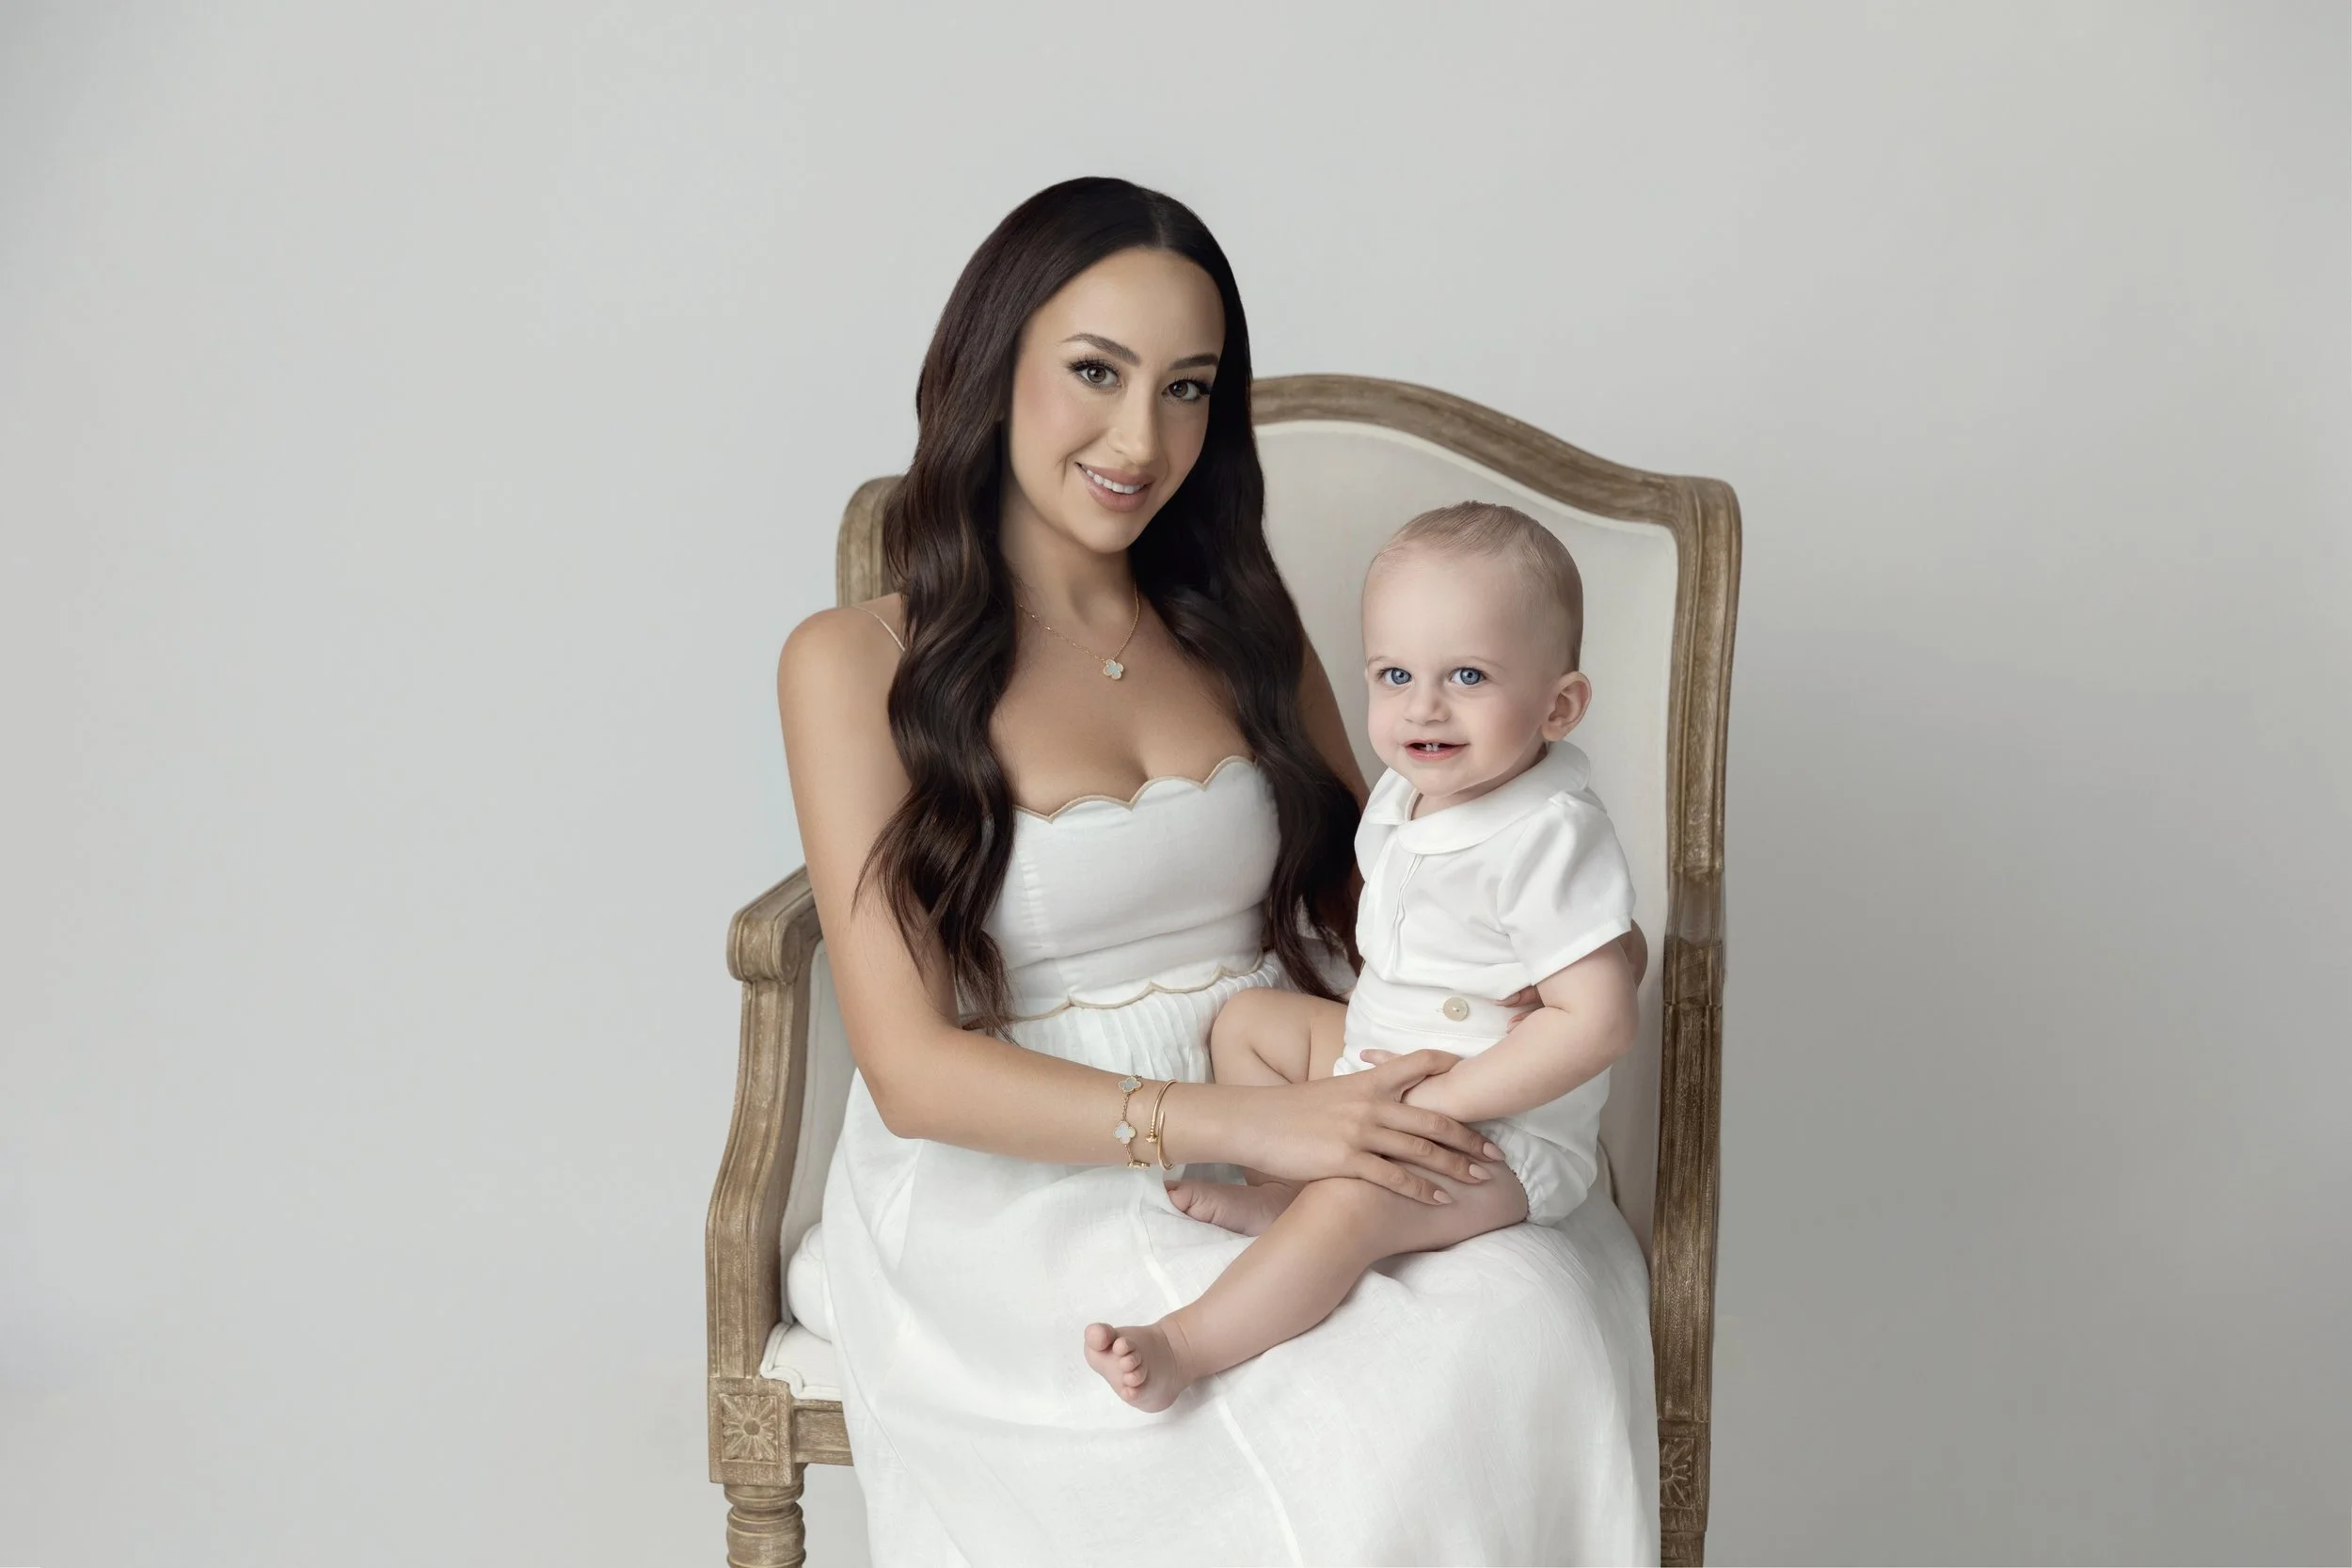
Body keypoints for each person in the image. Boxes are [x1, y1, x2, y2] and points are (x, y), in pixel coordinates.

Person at [777, 175, 1660, 1565]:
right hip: (1024, 1160)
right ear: (984, 368)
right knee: (1318, 1408)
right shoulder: (854, 661)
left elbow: (1402, 895)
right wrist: (1248, 1131)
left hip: (1291, 1076)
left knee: (1519, 1314)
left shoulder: (1241, 619)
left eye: (1188, 387)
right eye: (1095, 373)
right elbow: (912, 1068)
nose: (1143, 437)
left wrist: (1519, 992)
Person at [1082, 501, 1641, 1414]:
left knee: (1356, 1204)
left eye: (1467, 675)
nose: (1423, 705)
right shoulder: (1405, 793)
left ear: (1559, 704)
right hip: (1381, 1061)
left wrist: (1441, 1104)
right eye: (1393, 673)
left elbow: (1600, 1015)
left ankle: (1188, 1340)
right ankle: (1286, 1192)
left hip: (1491, 1134)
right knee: (1250, 1024)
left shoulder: (1547, 833)